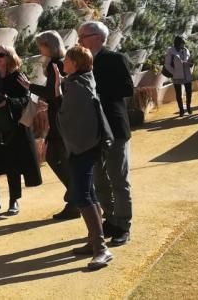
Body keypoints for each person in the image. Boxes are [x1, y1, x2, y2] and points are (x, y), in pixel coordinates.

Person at [52, 45, 115, 269]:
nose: (63, 63)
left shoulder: (78, 87)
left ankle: (101, 249)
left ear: (75, 64)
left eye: (67, 60)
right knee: (88, 192)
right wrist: (60, 86)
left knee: (82, 194)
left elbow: (66, 117)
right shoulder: (80, 82)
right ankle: (93, 242)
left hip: (83, 148)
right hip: (86, 147)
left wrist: (60, 90)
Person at [77, 21, 134, 246]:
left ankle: (123, 225)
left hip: (115, 128)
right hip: (93, 131)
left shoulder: (114, 59)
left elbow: (127, 89)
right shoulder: (83, 63)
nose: (80, 40)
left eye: (84, 36)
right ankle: (109, 219)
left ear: (99, 38)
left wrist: (96, 92)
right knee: (100, 179)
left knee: (118, 179)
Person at [0, 45, 42, 217]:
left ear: (10, 57)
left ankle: (13, 200)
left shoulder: (18, 75)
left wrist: (7, 102)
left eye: (1, 55)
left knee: (13, 163)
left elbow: (25, 99)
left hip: (12, 126)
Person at [17, 31, 77, 220]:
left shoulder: (55, 64)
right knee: (57, 157)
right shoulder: (59, 62)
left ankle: (75, 198)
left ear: (48, 46)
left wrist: (30, 86)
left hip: (60, 120)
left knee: (56, 157)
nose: (39, 49)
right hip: (61, 118)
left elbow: (53, 92)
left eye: (40, 45)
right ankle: (75, 196)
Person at [165, 35, 194, 117]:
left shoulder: (186, 50)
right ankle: (181, 110)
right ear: (178, 43)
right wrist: (174, 72)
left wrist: (190, 66)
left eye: (184, 42)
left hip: (187, 74)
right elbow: (167, 64)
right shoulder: (171, 51)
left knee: (189, 92)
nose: (184, 44)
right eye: (182, 42)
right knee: (178, 94)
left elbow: (189, 60)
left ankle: (188, 107)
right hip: (177, 75)